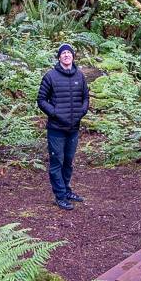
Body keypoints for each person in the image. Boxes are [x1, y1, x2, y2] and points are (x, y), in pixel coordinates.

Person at [37, 43, 90, 210]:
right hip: (56, 129)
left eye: (69, 53)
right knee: (57, 162)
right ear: (59, 57)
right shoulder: (50, 76)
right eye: (63, 53)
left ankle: (66, 190)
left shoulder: (80, 76)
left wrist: (81, 112)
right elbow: (41, 100)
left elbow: (86, 98)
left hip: (73, 128)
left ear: (73, 57)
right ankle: (60, 196)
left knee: (68, 161)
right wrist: (55, 113)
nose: (67, 55)